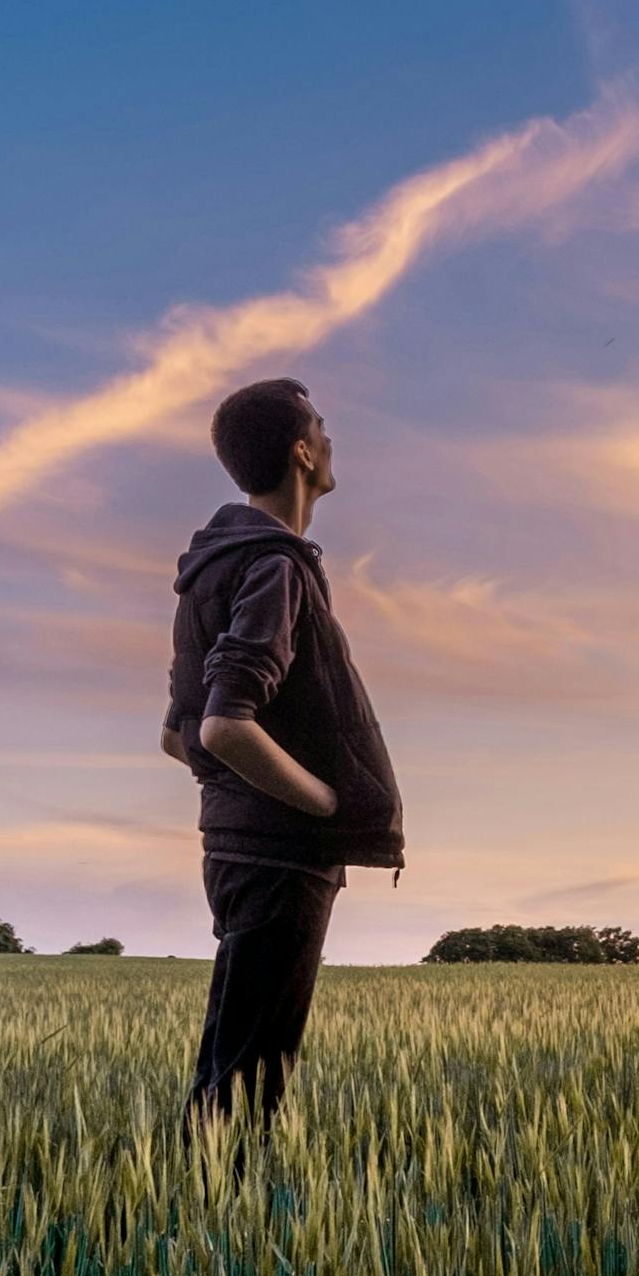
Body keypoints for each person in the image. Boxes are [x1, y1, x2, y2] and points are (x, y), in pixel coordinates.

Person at [164, 377, 404, 1121]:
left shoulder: (213, 567)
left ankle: (193, 1212)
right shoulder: (274, 565)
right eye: (322, 429)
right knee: (252, 1083)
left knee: (230, 1067)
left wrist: (237, 796)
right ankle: (214, 1226)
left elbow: (177, 733)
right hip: (279, 854)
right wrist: (325, 803)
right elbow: (221, 726)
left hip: (237, 849)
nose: (332, 441)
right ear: (302, 452)